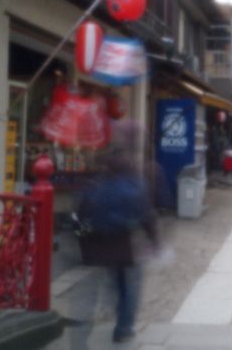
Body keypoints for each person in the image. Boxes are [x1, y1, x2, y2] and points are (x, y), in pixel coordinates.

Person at [78, 120, 158, 343]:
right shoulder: (135, 183)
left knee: (113, 282)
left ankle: (95, 327)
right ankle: (123, 327)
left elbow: (82, 215)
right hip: (126, 245)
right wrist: (154, 242)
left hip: (103, 245)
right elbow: (146, 216)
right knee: (130, 286)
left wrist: (82, 240)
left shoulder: (97, 184)